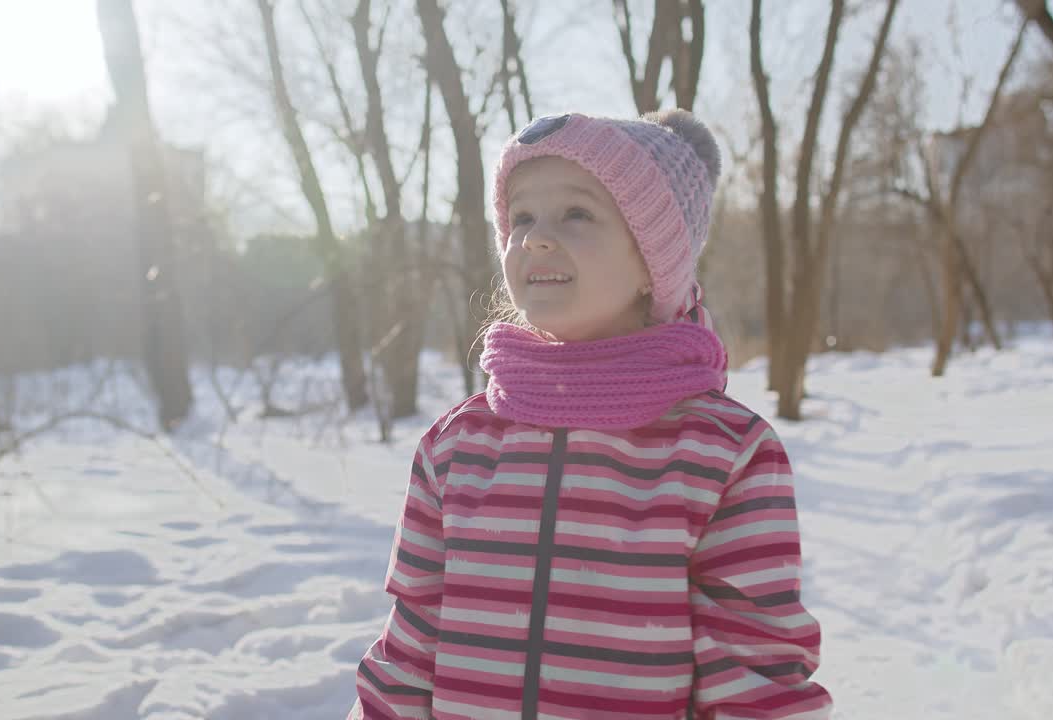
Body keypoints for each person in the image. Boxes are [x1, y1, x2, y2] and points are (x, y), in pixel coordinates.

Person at [350, 110, 832, 720]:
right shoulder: (457, 446)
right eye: (522, 217)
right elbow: (412, 640)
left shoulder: (723, 453)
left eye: (577, 213)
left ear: (653, 260)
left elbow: (757, 672)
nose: (535, 237)